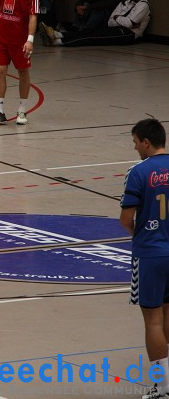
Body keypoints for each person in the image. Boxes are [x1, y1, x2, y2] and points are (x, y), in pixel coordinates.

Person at [119, 118, 169, 399]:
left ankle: (162, 388)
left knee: (153, 321)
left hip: (150, 253)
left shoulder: (138, 171)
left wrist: (141, 234)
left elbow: (127, 219)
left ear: (146, 142)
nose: (136, 148)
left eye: (136, 143)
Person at [40, 0, 150, 47]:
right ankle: (57, 34)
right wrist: (120, 19)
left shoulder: (143, 5)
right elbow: (111, 21)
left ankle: (56, 41)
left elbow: (129, 24)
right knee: (91, 32)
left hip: (129, 34)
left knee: (93, 38)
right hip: (114, 28)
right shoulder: (126, 1)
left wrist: (118, 18)